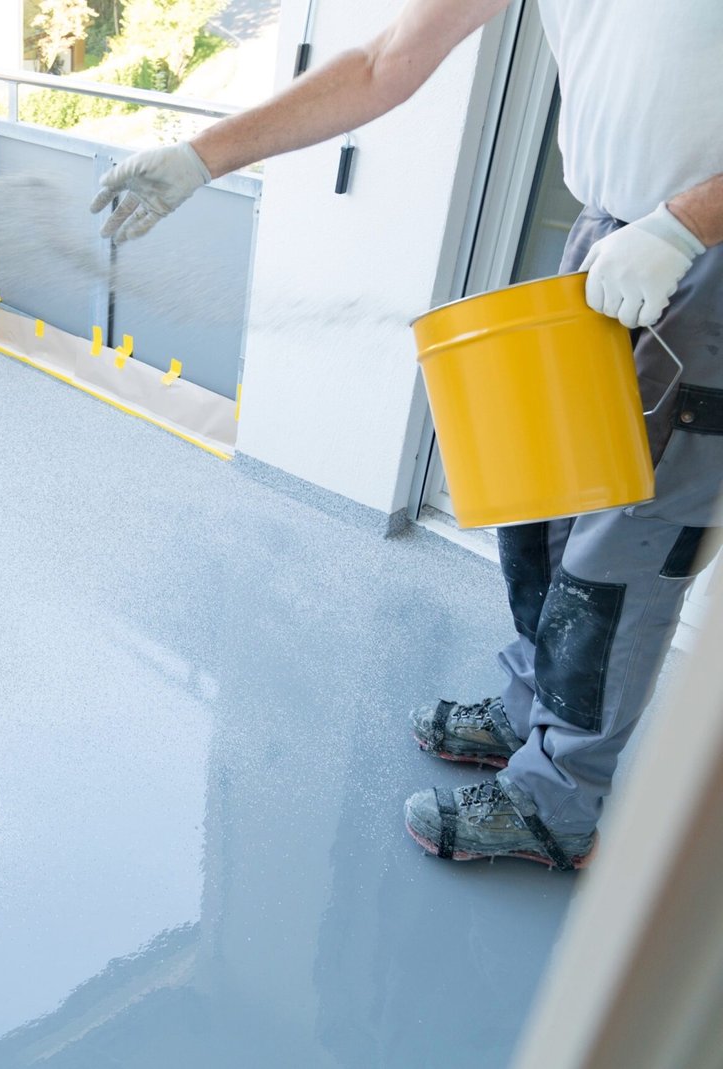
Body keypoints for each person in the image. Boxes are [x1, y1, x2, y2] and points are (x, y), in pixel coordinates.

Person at [92, 0, 723, 870]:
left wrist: (686, 223)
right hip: (612, 232)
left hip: (702, 247)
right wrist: (204, 157)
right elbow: (386, 59)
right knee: (546, 504)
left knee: (626, 542)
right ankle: (529, 705)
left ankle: (556, 803)